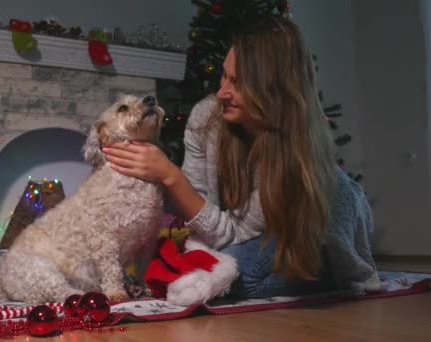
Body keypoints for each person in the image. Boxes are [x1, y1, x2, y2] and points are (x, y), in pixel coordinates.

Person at [102, 17, 382, 299]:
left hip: (315, 231)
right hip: (255, 234)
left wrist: (170, 175)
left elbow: (231, 234)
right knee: (203, 268)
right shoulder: (206, 119)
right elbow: (200, 211)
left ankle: (328, 271)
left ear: (273, 90)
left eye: (238, 83)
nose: (222, 92)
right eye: (225, 75)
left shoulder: (292, 154)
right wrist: (159, 178)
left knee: (233, 277)